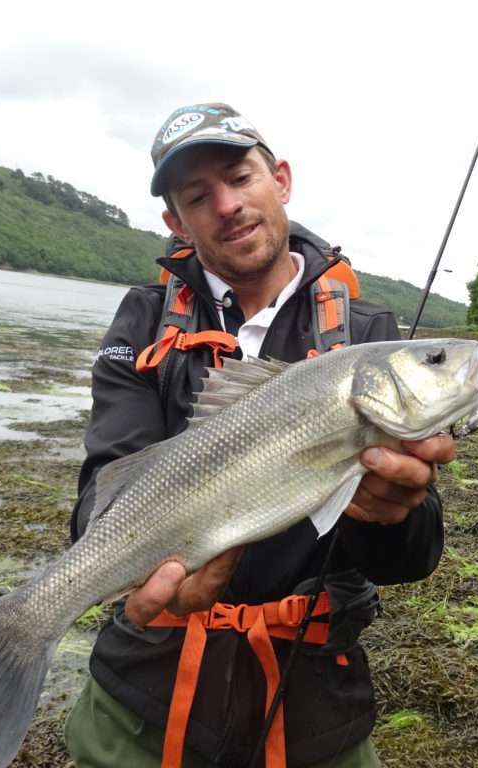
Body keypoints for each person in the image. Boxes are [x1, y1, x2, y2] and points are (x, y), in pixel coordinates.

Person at [65, 103, 455, 768]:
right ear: (176, 222)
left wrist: (392, 511)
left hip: (313, 698)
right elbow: (101, 495)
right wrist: (127, 569)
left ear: (280, 179)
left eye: (240, 177)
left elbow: (412, 559)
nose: (227, 205)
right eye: (197, 196)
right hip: (146, 689)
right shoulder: (142, 322)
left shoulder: (367, 338)